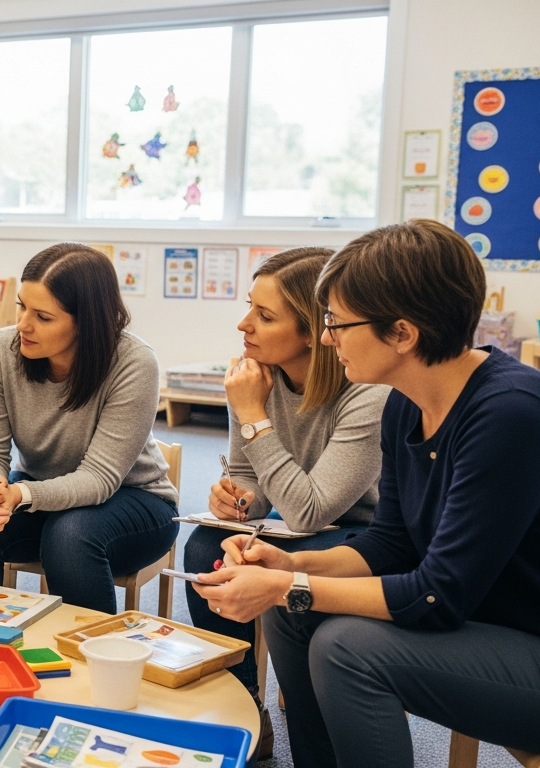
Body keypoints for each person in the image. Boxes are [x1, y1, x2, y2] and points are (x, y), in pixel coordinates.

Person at [192, 220, 540, 768]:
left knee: (346, 649)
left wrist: (288, 583)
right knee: (292, 610)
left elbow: (437, 595)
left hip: (535, 647)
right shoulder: (407, 401)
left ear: (403, 333)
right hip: (485, 627)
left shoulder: (509, 412)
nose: (326, 337)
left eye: (336, 322)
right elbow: (390, 544)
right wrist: (291, 563)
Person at [182, 247, 388, 752]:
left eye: (264, 315)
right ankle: (247, 709)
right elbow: (254, 482)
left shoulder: (367, 391)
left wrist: (253, 416)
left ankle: (310, 720)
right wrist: (235, 500)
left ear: (314, 331)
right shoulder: (256, 375)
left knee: (291, 589)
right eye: (250, 306)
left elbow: (312, 510)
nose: (243, 324)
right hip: (295, 520)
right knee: (203, 548)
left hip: (363, 532)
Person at [0, 243, 179, 615]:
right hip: (43, 496)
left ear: (87, 320)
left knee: (69, 536)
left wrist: (19, 494)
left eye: (43, 316)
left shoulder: (134, 363)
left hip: (136, 503)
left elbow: (99, 479)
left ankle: (90, 657)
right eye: (21, 305)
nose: (23, 324)